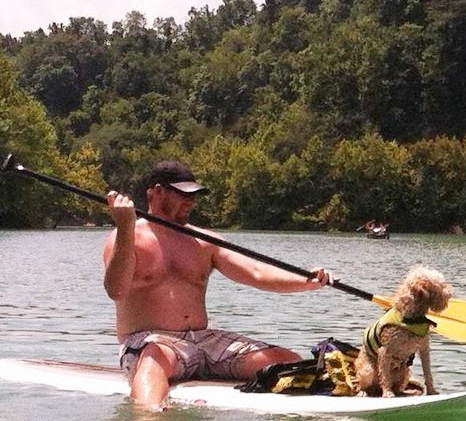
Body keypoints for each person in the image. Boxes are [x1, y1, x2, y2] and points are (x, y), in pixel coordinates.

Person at [103, 160, 332, 407]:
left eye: (194, 195)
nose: (191, 201)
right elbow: (116, 290)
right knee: (153, 359)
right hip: (153, 343)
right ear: (157, 191)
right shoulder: (125, 237)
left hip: (206, 342)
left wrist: (307, 280)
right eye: (183, 194)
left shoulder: (204, 241)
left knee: (288, 362)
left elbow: (256, 272)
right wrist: (125, 227)